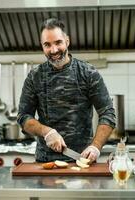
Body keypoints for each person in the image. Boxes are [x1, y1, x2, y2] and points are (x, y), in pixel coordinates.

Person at [17, 18, 115, 163]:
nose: (54, 50)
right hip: (46, 162)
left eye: (58, 42)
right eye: (47, 45)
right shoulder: (34, 77)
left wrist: (95, 146)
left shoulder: (88, 73)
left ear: (67, 41)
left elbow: (108, 113)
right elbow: (23, 117)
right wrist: (47, 132)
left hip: (82, 160)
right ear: (42, 46)